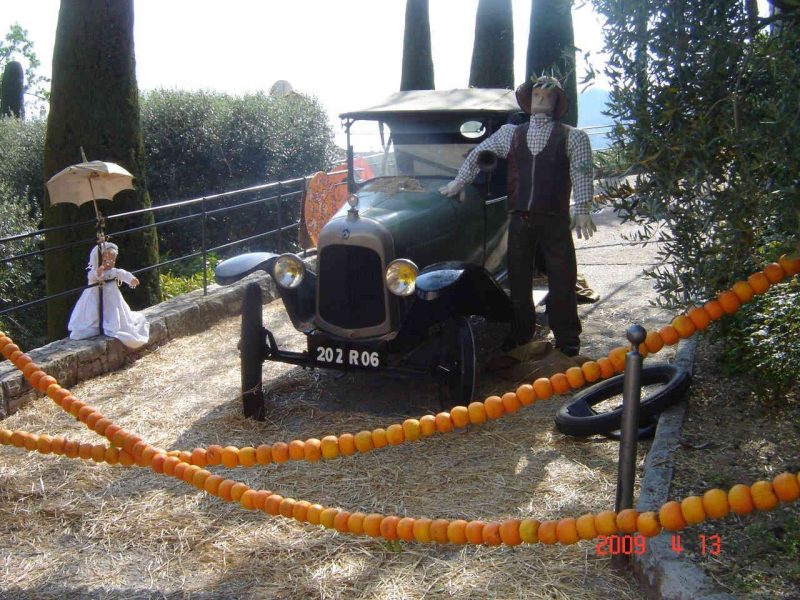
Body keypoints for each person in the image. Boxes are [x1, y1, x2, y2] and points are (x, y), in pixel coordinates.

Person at [439, 75, 595, 356]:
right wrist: (460, 181)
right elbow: (479, 153)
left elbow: (582, 172)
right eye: (537, 94)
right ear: (529, 99)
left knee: (563, 277)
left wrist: (583, 208)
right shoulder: (511, 134)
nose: (541, 99)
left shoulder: (573, 136)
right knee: (518, 277)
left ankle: (567, 337)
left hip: (555, 217)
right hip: (520, 216)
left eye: (548, 96)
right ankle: (521, 332)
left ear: (557, 102)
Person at [68, 241, 150, 349]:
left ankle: (113, 323)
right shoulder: (93, 272)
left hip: (112, 297)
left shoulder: (113, 271)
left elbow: (121, 273)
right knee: (92, 312)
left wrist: (131, 279)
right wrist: (100, 269)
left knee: (113, 310)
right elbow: (97, 277)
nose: (110, 263)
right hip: (95, 296)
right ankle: (95, 327)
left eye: (113, 260)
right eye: (107, 260)